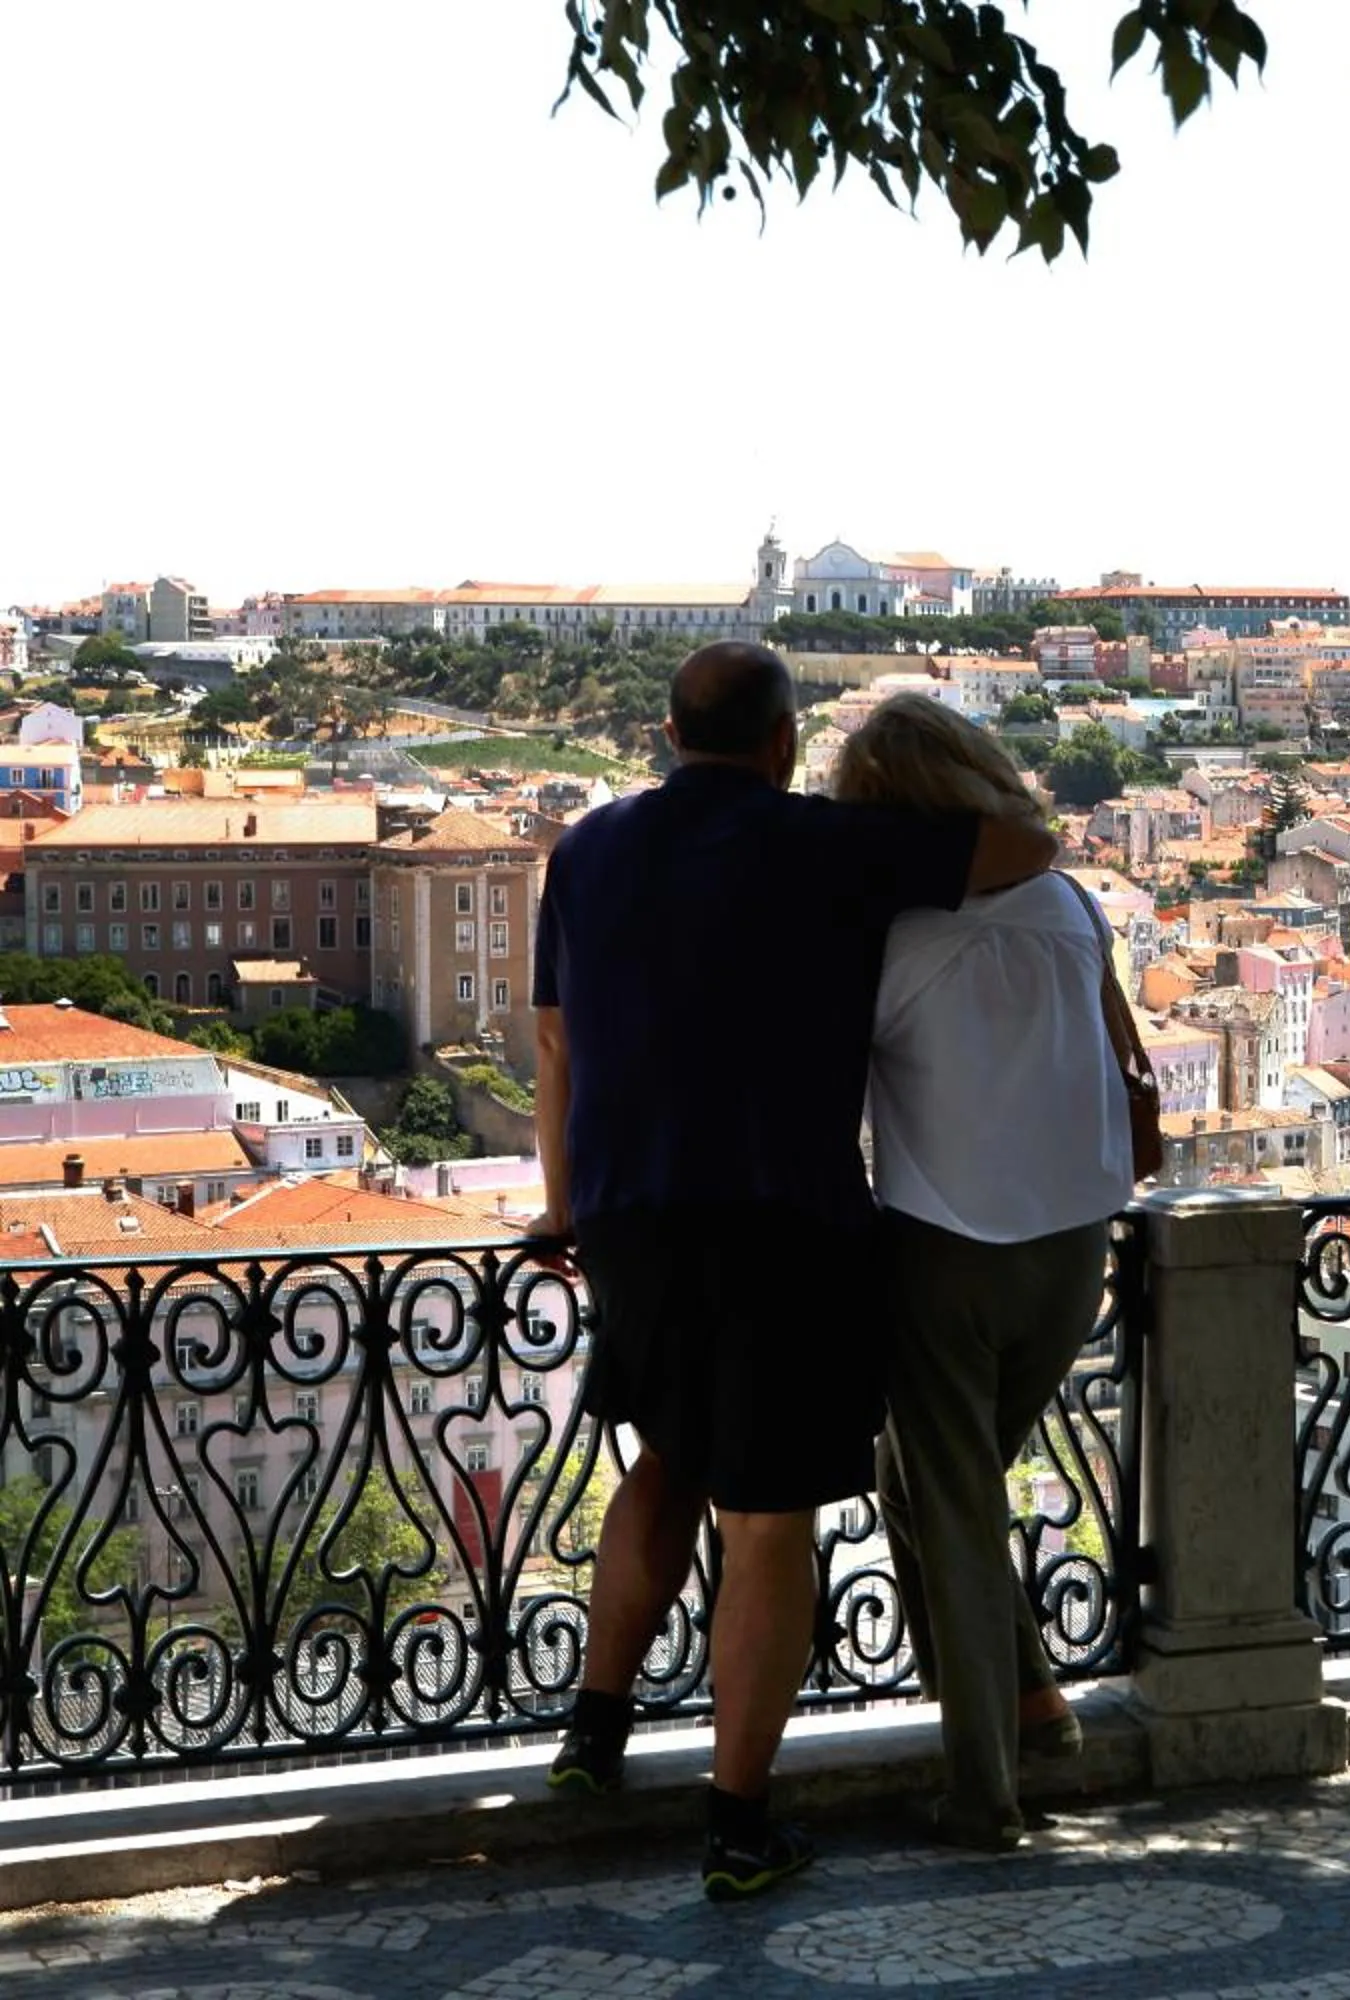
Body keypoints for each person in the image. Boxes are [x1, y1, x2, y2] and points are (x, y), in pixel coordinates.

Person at [530, 642, 1061, 1901]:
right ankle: (738, 1823)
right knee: (768, 1519)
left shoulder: (586, 850)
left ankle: (591, 1739)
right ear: (780, 743)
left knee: (665, 1456)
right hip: (787, 1222)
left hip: (630, 1216)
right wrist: (923, 780)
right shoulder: (829, 843)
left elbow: (553, 1041)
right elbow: (1028, 845)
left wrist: (564, 1211)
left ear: (667, 732)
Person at [829, 694, 1140, 1852]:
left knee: (951, 1508)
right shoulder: (1073, 908)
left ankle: (984, 1792)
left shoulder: (895, 942)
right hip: (1074, 1251)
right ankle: (1036, 1702)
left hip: (943, 1249)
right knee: (926, 1488)